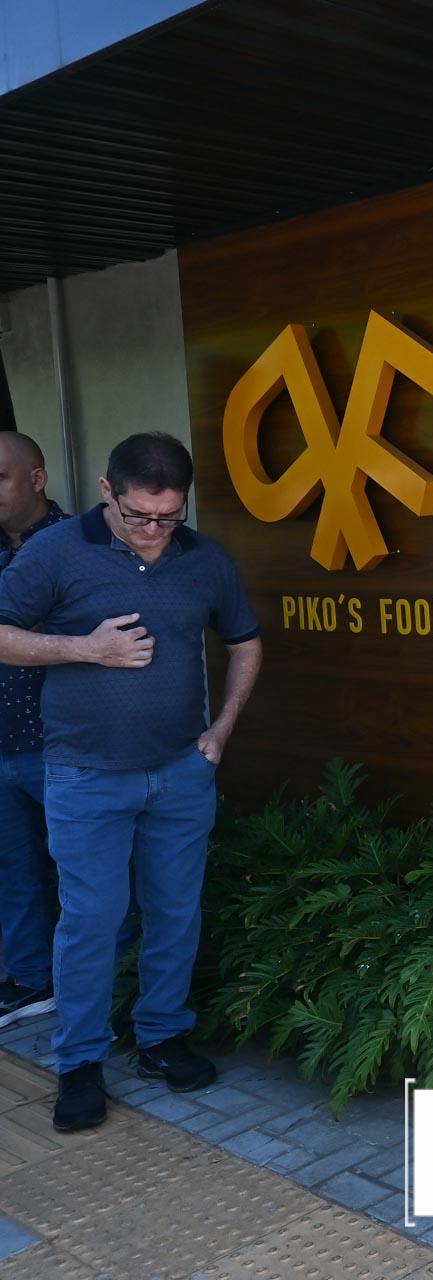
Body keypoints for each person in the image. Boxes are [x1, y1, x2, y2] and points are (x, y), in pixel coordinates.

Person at [0, 433, 263, 1133]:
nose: (153, 530)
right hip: (85, 776)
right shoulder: (55, 552)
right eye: (139, 515)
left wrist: (222, 729)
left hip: (180, 772)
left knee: (175, 912)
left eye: (169, 516)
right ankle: (80, 1062)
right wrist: (86, 648)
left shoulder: (204, 557)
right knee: (92, 920)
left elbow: (245, 641)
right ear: (106, 491)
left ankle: (162, 1037)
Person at [0, 433, 67, 1031]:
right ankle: (30, 980)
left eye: (0, 478)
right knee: (12, 868)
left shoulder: (79, 544)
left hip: (60, 744)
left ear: (37, 479)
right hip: (1, 742)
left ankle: (115, 984)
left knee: (87, 872)